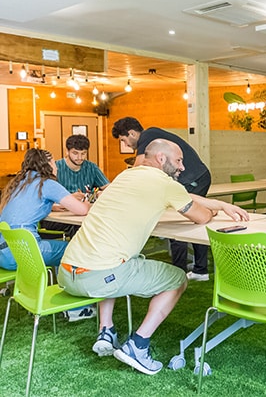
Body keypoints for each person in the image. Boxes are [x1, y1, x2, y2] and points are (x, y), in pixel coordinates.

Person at [57, 139, 249, 375]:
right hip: (100, 277)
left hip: (67, 273)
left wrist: (218, 203)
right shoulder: (165, 185)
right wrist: (215, 210)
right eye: (178, 161)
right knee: (178, 279)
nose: (182, 168)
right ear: (161, 158)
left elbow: (183, 195)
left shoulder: (124, 177)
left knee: (121, 258)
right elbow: (201, 217)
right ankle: (138, 345)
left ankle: (106, 330)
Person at [111, 117, 211, 282]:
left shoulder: (148, 136)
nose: (126, 145)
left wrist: (115, 187)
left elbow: (138, 168)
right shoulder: (152, 134)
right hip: (199, 176)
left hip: (194, 178)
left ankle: (179, 272)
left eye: (124, 140)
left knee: (178, 225)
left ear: (131, 133)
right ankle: (200, 270)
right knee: (194, 221)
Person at [0, 149, 90, 270]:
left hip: (4, 253)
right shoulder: (46, 183)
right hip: (23, 253)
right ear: (48, 165)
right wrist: (87, 202)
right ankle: (68, 285)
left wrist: (52, 206)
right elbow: (82, 210)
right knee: (74, 250)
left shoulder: (19, 183)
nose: (57, 168)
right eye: (54, 163)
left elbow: (27, 206)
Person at [41, 134, 110, 241]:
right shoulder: (55, 168)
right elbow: (42, 197)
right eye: (75, 153)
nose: (80, 157)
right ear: (67, 151)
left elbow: (107, 188)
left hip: (83, 215)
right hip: (58, 218)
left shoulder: (91, 167)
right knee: (80, 229)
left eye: (83, 154)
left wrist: (98, 194)